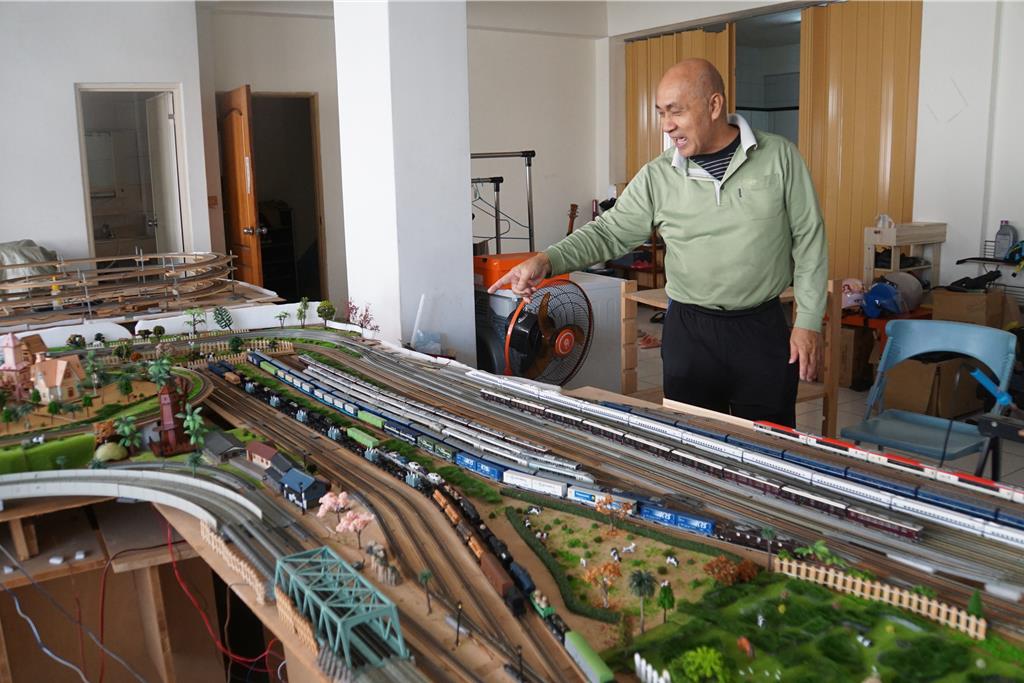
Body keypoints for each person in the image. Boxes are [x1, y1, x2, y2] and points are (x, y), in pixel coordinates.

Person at [488, 58, 827, 427]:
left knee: (769, 445)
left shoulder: (779, 157)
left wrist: (808, 321)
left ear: (714, 105)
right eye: (661, 113)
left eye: (676, 111)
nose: (667, 125)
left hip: (760, 327)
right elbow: (609, 231)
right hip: (691, 331)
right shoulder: (658, 175)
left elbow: (809, 239)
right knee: (690, 442)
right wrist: (547, 260)